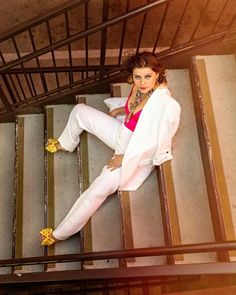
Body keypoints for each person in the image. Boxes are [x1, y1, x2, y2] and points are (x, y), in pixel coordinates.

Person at [39, 51, 181, 246]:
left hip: (135, 154)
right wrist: (121, 110)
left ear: (157, 74)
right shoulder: (139, 87)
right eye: (137, 76)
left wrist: (124, 158)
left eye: (148, 76)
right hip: (122, 134)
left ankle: (59, 233)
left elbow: (158, 142)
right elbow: (135, 106)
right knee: (80, 111)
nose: (142, 81)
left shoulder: (166, 105)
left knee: (98, 189)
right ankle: (66, 142)